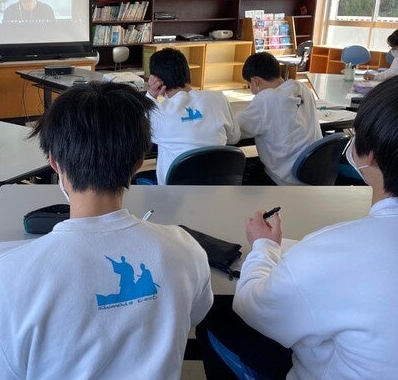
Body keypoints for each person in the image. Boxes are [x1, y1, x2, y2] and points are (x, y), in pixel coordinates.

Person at [0, 82, 213, 380]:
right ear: (139, 162)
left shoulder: (5, 278)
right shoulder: (186, 248)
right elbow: (195, 313)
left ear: (54, 162)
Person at [197, 76, 398, 379]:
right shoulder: (300, 89)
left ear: (370, 155)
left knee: (215, 314)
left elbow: (252, 306)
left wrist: (263, 247)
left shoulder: (334, 252)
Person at [146, 48, 240, 184]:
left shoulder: (157, 112)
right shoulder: (219, 98)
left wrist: (150, 96)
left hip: (176, 193)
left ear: (156, 80)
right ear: (188, 72)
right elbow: (234, 137)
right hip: (219, 188)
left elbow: (138, 132)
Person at [237, 52, 322, 185]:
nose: (251, 90)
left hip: (285, 178)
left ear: (255, 81)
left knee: (242, 173)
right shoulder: (303, 88)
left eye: (249, 85)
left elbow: (235, 130)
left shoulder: (265, 99)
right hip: (315, 172)